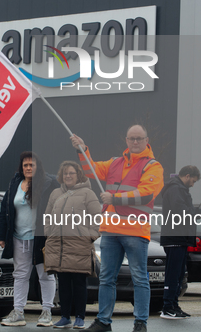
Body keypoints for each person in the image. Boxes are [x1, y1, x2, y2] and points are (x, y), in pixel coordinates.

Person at [72, 124, 164, 332]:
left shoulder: (153, 166)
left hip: (135, 230)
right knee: (106, 278)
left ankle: (140, 322)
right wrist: (82, 149)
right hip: (112, 230)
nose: (135, 142)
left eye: (139, 138)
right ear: (126, 140)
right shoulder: (115, 162)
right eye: (132, 138)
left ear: (146, 140)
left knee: (139, 277)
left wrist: (115, 198)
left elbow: (146, 194)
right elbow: (90, 169)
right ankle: (104, 321)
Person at [0, 151, 59, 327]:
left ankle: (47, 311)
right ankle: (18, 312)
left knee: (46, 275)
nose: (28, 167)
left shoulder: (48, 183)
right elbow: (5, 209)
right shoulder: (15, 183)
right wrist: (2, 235)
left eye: (32, 164)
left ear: (37, 167)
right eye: (25, 165)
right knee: (20, 275)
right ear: (21, 168)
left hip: (42, 238)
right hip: (18, 239)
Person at [44, 161, 101, 329]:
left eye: (71, 173)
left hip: (79, 246)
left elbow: (98, 218)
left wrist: (89, 237)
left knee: (79, 283)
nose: (68, 176)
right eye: (65, 173)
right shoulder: (55, 193)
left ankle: (80, 317)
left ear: (79, 175)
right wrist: (49, 233)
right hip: (58, 246)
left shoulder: (87, 193)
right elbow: (47, 216)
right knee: (63, 283)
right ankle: (65, 317)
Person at [159, 165, 201, 320]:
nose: (193, 184)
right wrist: (197, 212)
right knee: (173, 274)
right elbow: (180, 211)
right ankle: (168, 307)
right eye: (193, 181)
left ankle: (174, 305)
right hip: (175, 238)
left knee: (178, 274)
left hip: (180, 238)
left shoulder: (178, 189)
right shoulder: (176, 189)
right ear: (187, 175)